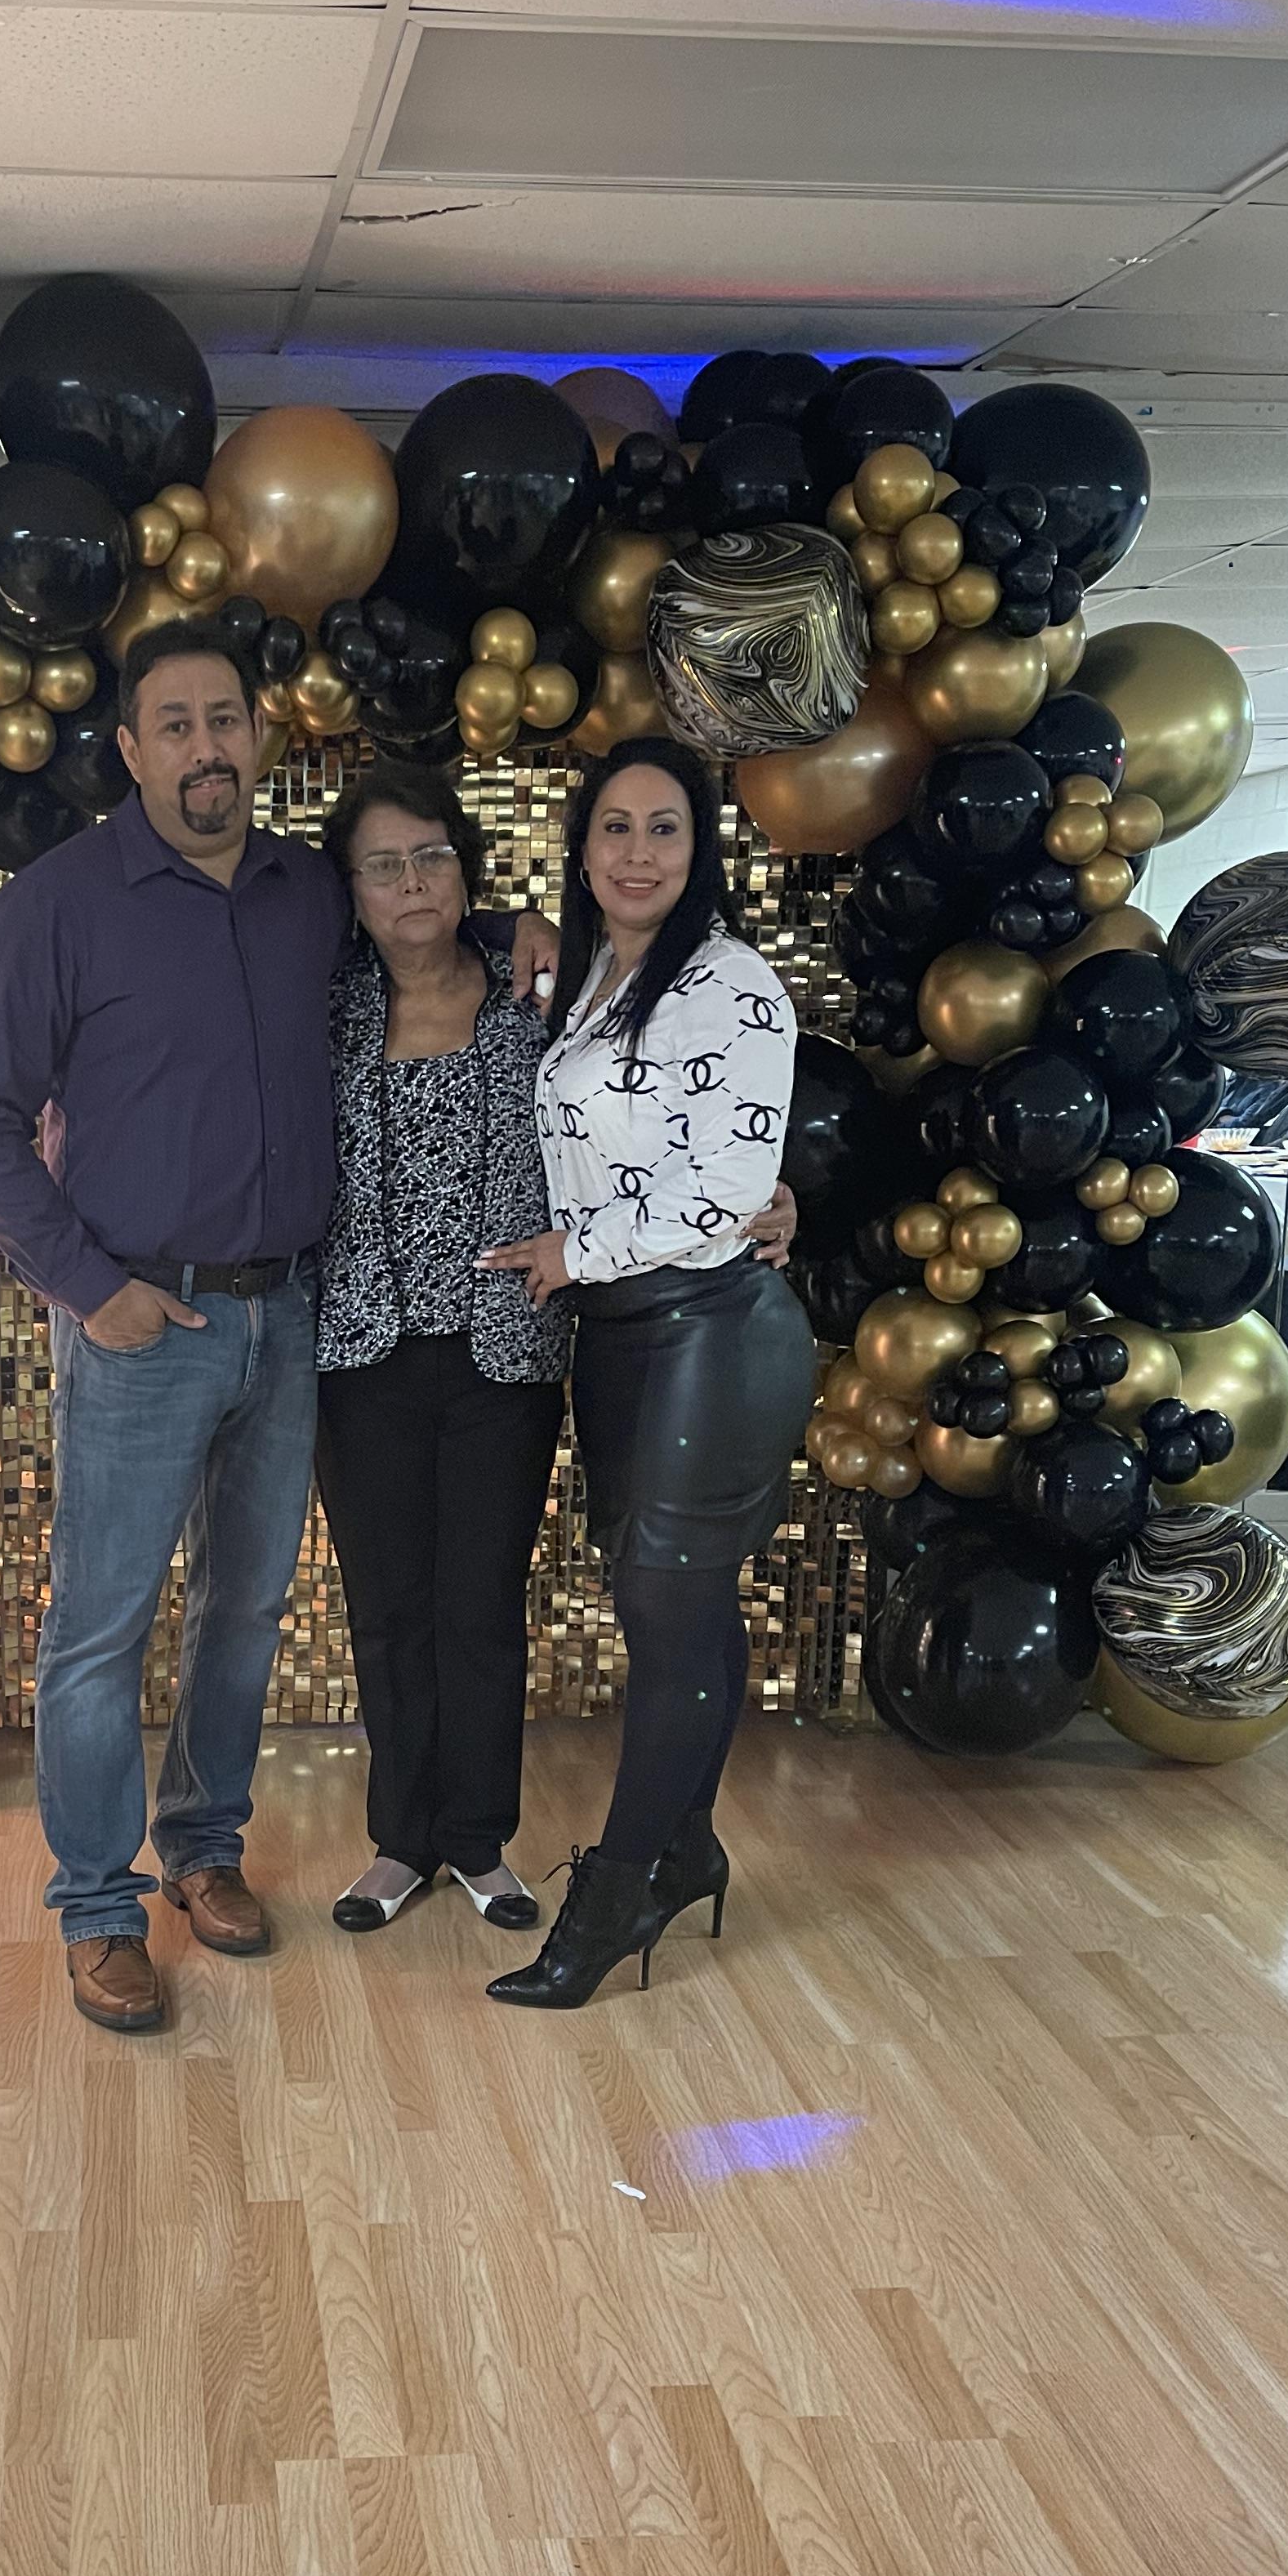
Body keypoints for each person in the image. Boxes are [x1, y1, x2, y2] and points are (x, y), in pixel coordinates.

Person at [0, 618, 555, 2036]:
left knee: (244, 1609)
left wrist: (508, 925)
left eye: (225, 720)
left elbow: (416, 916)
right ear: (129, 748)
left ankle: (203, 1850)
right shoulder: (57, 904)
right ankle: (98, 1908)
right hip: (139, 1319)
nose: (205, 748)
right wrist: (89, 1287)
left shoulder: (301, 890)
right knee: (101, 1627)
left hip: (291, 1316)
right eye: (175, 725)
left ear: (259, 738)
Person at [479, 737, 814, 2010]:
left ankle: (615, 1894)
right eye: (613, 827)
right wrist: (514, 924)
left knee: (668, 1613)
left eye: (663, 828)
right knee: (680, 1606)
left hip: (711, 1333)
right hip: (621, 1338)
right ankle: (688, 1850)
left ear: (699, 848)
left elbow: (731, 1185)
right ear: (582, 849)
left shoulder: (733, 986)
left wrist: (574, 1251)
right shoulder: (589, 975)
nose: (636, 852)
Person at [314, 765, 570, 1938]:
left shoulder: (539, 993)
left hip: (503, 1349)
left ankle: (477, 1840)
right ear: (352, 891)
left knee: (479, 1605)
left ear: (465, 872)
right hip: (361, 1348)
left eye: (431, 857)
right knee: (387, 1608)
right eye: (383, 865)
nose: (410, 882)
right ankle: (400, 1842)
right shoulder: (325, 1002)